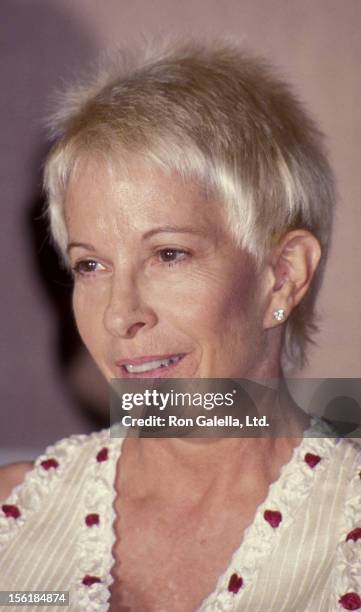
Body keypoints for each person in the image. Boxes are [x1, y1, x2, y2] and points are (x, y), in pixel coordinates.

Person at [0, 40, 360, 612]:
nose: (120, 314)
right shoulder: (13, 516)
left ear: (283, 275)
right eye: (90, 265)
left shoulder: (350, 533)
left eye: (169, 254)